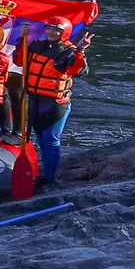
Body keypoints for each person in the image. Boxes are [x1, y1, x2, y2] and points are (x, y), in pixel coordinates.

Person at [22, 18, 91, 189]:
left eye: (56, 30)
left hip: (55, 103)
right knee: (40, 139)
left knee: (50, 140)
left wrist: (81, 49)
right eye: (49, 29)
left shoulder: (69, 52)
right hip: (35, 100)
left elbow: (78, 71)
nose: (51, 33)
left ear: (64, 32)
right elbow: (19, 60)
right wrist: (21, 38)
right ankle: (44, 173)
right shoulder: (36, 45)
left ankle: (50, 179)